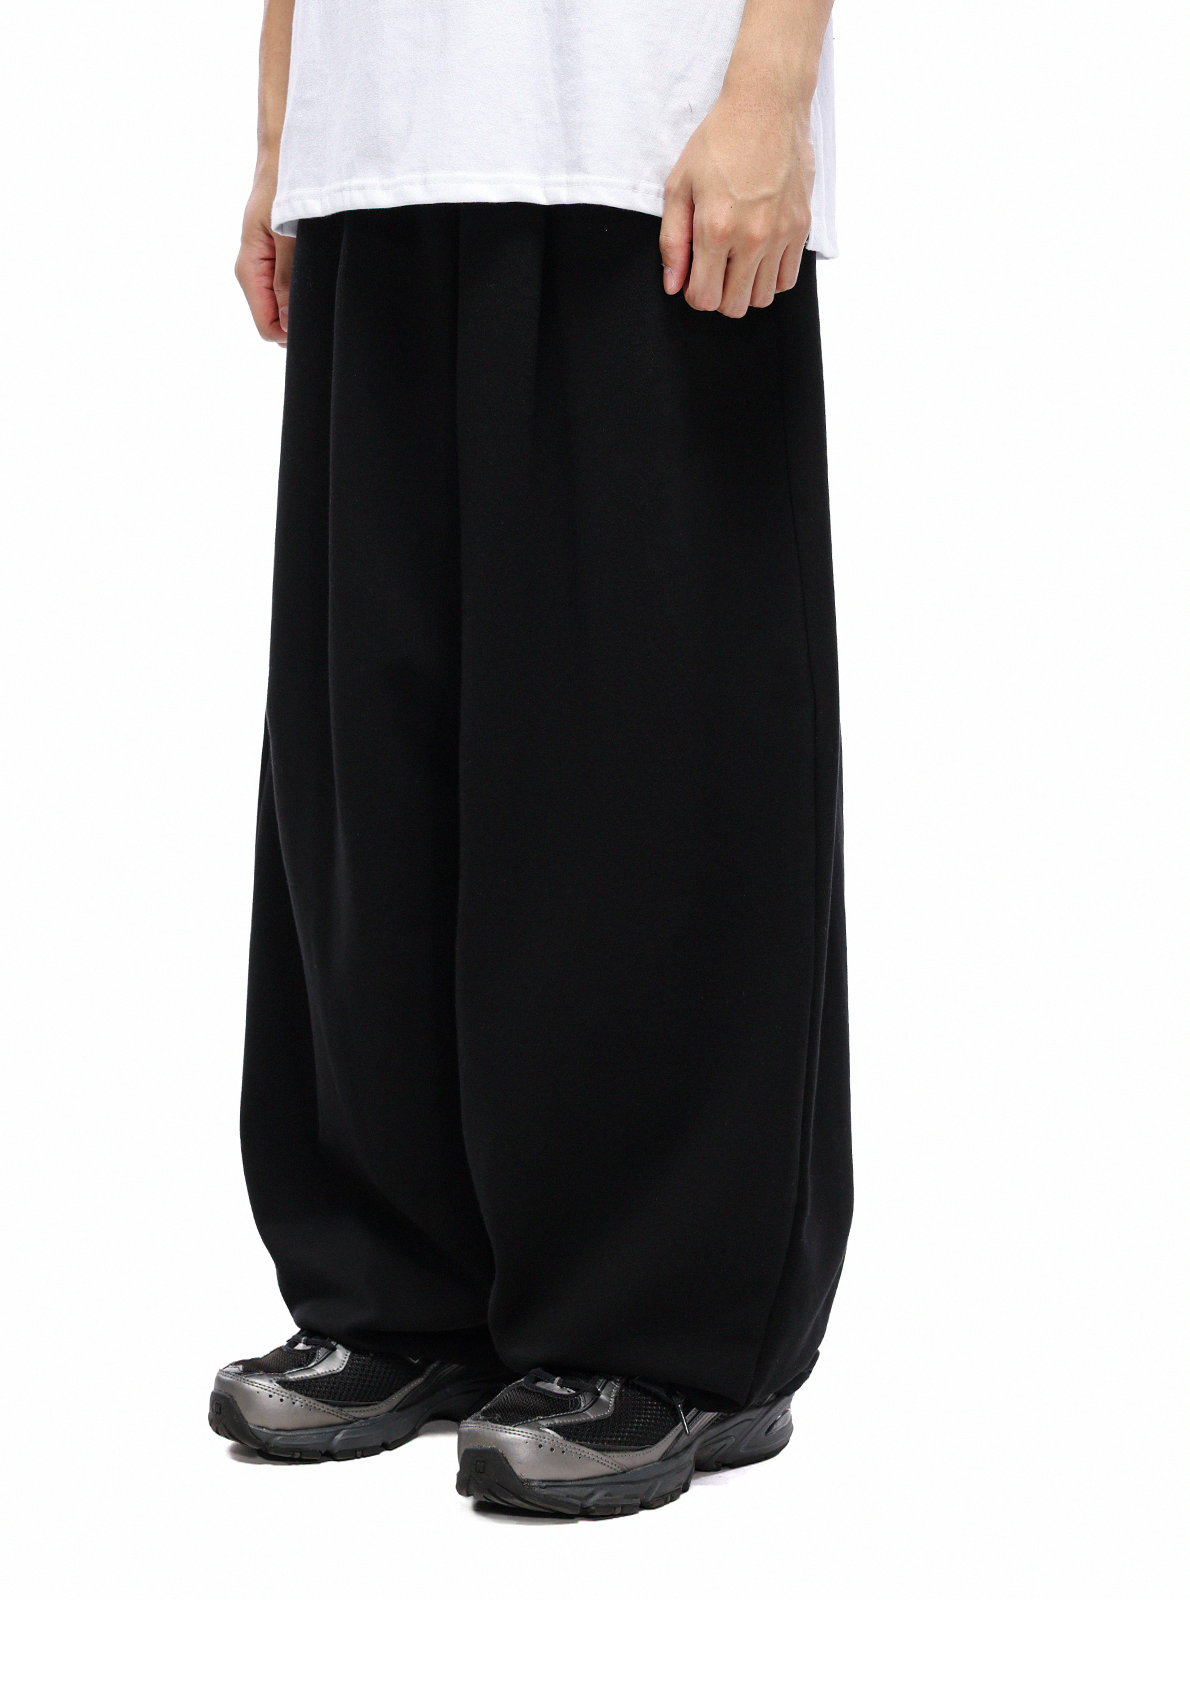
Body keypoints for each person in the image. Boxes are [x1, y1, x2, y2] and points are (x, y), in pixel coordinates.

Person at [208, 0, 852, 1518]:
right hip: (376, 155)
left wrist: (770, 92)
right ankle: (399, 1296)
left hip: (645, 148)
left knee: (643, 757)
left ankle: (666, 1332)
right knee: (369, 756)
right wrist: (281, 134)